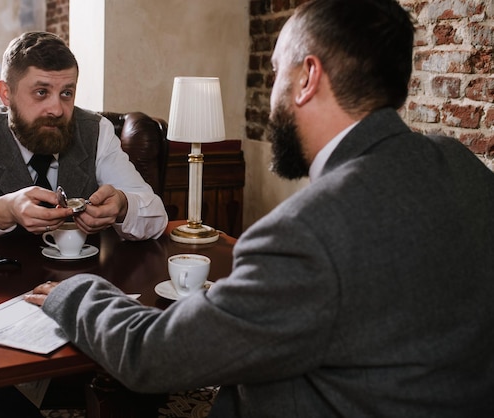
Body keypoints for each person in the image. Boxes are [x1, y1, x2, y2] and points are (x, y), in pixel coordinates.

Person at [26, 0, 494, 416]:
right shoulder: (462, 165)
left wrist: (78, 294)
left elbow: (156, 357)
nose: (271, 96)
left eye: (275, 74)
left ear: (307, 77)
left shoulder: (305, 233)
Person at [0, 31, 168, 260]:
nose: (56, 109)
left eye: (66, 93)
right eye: (41, 92)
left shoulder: (96, 131)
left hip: (83, 286)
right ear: (6, 94)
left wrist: (123, 206)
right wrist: (1, 211)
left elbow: (156, 216)